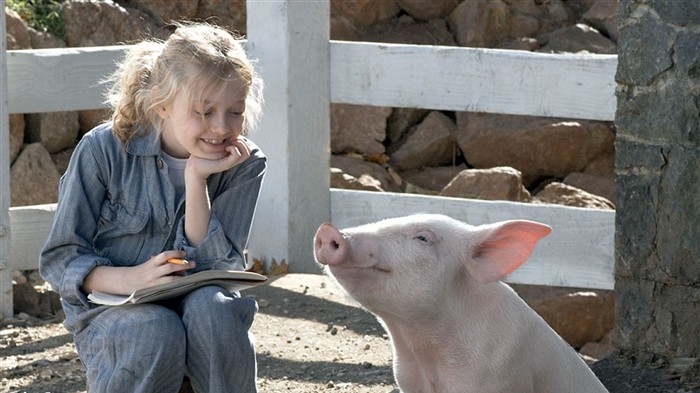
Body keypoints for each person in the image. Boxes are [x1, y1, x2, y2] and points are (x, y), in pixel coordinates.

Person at [39, 21, 265, 393]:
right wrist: (131, 279)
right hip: (112, 311)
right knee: (153, 330)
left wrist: (197, 181)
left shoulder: (244, 163)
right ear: (162, 105)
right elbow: (60, 257)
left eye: (235, 112)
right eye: (205, 111)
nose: (222, 127)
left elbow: (217, 267)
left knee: (217, 310)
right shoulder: (104, 150)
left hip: (198, 305)